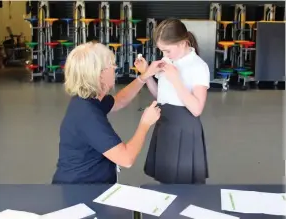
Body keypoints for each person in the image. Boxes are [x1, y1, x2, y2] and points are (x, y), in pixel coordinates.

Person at [52, 42, 162, 184]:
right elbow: (126, 159)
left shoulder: (88, 98)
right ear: (99, 74)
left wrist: (144, 76)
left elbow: (119, 100)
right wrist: (145, 123)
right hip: (81, 189)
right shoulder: (87, 115)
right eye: (111, 65)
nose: (115, 68)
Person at [134, 18, 210, 184]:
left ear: (183, 43)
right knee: (166, 181)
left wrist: (175, 79)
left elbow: (197, 109)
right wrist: (146, 74)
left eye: (167, 50)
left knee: (183, 185)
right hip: (165, 124)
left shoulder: (198, 66)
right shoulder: (168, 61)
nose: (164, 55)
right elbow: (160, 96)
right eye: (162, 51)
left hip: (184, 128)